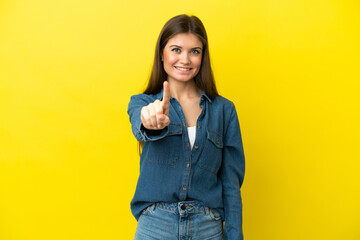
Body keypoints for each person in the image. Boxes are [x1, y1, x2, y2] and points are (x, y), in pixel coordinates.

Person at [127, 14, 245, 240]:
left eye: (195, 51)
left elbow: (231, 186)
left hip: (207, 229)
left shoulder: (224, 111)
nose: (185, 59)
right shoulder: (143, 103)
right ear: (162, 54)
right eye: (176, 49)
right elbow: (141, 122)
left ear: (203, 57)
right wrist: (150, 122)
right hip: (155, 227)